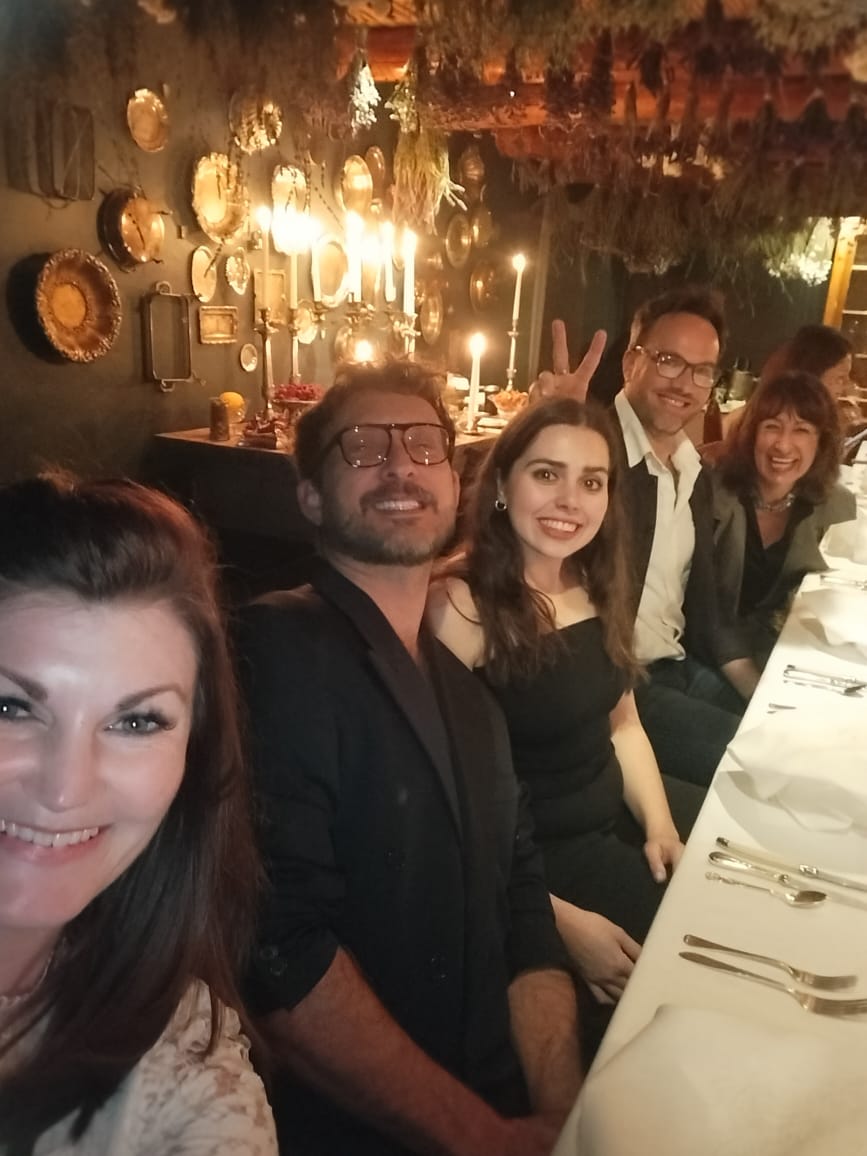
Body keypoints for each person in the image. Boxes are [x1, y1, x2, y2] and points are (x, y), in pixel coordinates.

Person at [235, 361, 581, 1156]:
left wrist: (561, 1109)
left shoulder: (469, 697)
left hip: (497, 1097)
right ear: (310, 497)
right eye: (362, 447)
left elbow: (523, 904)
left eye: (425, 445)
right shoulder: (275, 649)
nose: (399, 465)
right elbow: (280, 949)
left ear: (455, 485)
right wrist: (483, 1136)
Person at [0, 474, 276, 1155]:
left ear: (193, 755)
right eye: (11, 707)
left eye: (136, 721)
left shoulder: (183, 1063)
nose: (65, 789)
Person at [427, 399, 704, 1009]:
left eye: (592, 482)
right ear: (503, 484)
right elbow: (438, 811)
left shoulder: (594, 580)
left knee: (735, 866)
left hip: (611, 812)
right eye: (547, 474)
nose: (570, 501)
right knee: (700, 967)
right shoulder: (459, 608)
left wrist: (660, 827)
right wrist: (553, 921)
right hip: (535, 864)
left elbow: (623, 724)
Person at [532, 290, 757, 787]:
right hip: (617, 687)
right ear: (631, 362)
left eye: (702, 370)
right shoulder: (595, 453)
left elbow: (707, 614)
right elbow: (518, 524)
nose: (685, 383)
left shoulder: (692, 469)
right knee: (756, 765)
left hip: (679, 667)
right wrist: (548, 428)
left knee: (784, 739)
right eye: (669, 361)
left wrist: (760, 691)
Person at [711, 371, 856, 667]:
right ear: (751, 434)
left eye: (801, 430)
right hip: (710, 656)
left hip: (790, 654)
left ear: (821, 441)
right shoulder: (713, 494)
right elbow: (700, 608)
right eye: (772, 427)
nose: (783, 445)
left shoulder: (837, 507)